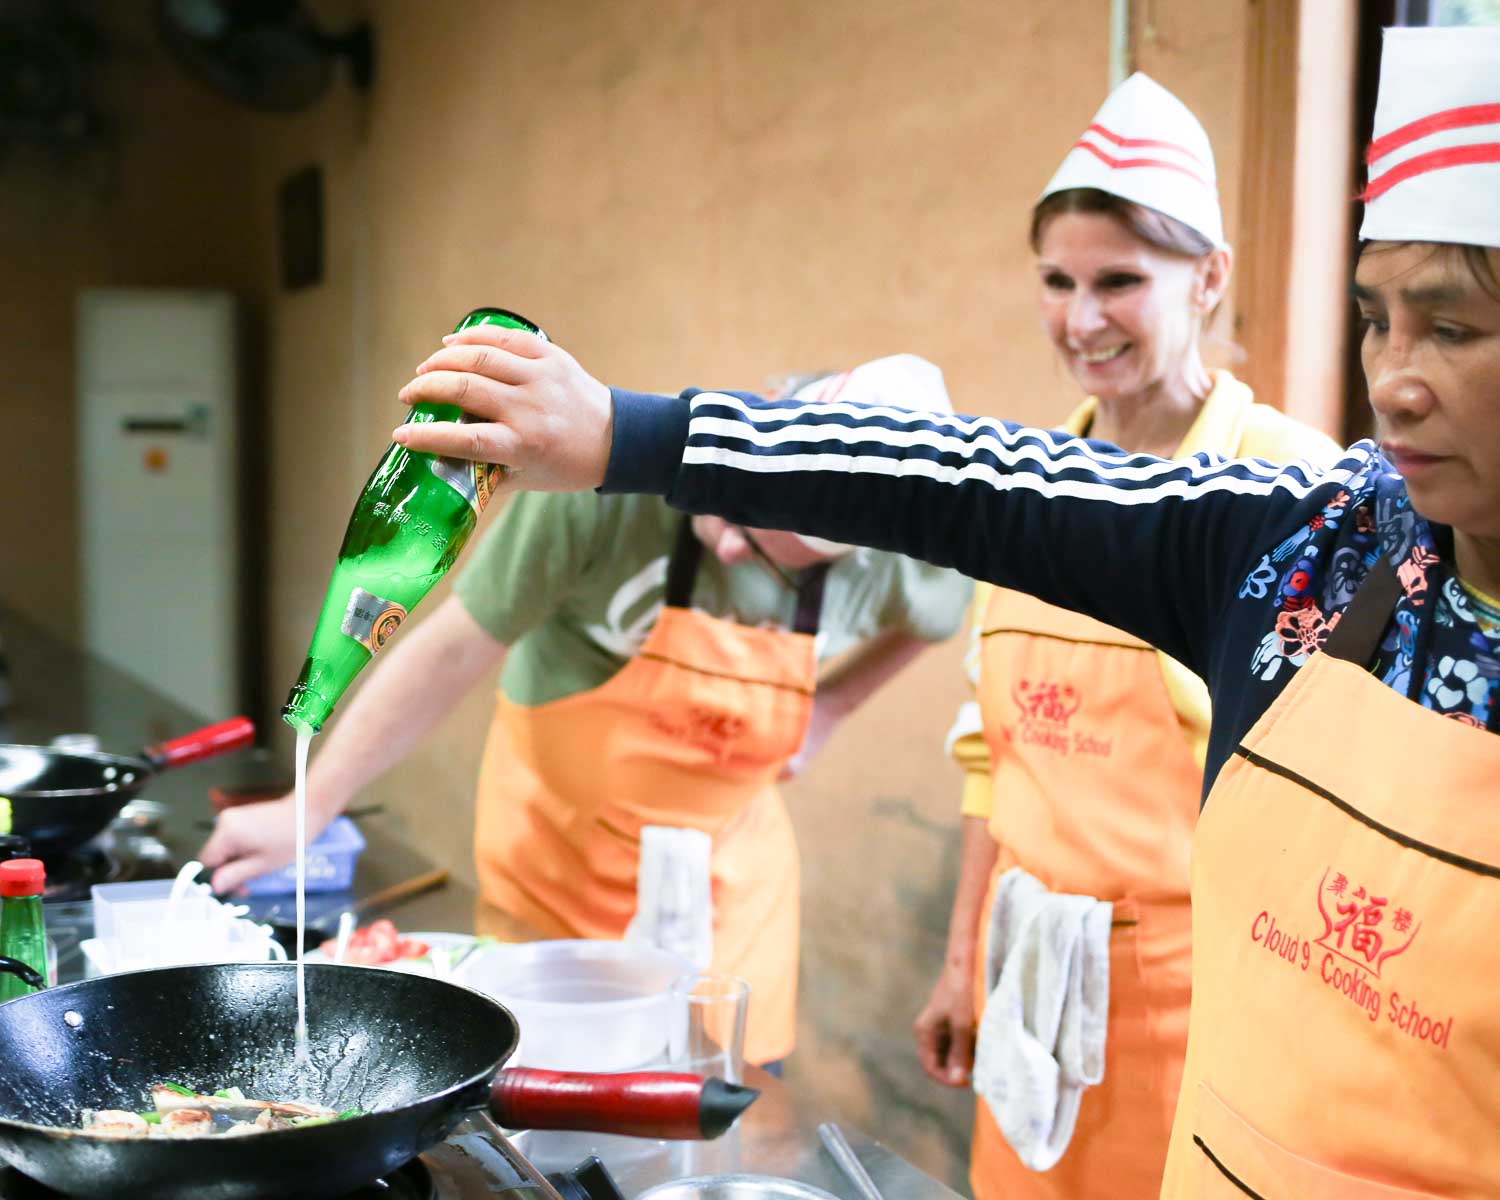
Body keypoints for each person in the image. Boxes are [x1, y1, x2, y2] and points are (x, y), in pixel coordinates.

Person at [388, 26, 1500, 1192]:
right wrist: (633, 434)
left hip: (1174, 1000)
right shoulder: (1310, 549)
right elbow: (961, 483)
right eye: (1377, 319)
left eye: (1455, 329)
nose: (1394, 381)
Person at [202, 353, 970, 1070]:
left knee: (718, 1095)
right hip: (559, 874)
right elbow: (451, 651)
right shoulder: (607, 496)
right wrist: (312, 805)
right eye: (740, 513)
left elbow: (939, 617)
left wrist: (831, 709)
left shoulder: (903, 564)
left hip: (728, 888)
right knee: (549, 1098)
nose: (734, 554)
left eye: (765, 554)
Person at [911, 75, 1341, 1200]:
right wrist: (964, 960)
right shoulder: (1028, 486)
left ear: (1210, 279)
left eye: (1118, 281)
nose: (1079, 317)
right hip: (1029, 991)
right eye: (1057, 281)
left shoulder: (1290, 486)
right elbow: (987, 754)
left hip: (1212, 1008)